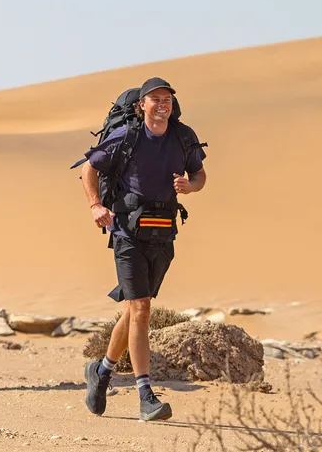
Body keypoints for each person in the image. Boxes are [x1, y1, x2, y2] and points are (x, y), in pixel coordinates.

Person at [79, 77, 208, 421]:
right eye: (155, 98)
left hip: (164, 233)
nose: (162, 103)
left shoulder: (183, 137)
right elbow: (89, 169)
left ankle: (102, 372)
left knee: (135, 311)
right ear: (142, 105)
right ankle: (145, 395)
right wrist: (95, 206)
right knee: (142, 308)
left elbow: (200, 174)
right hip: (127, 234)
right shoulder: (127, 136)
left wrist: (190, 186)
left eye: (167, 98)